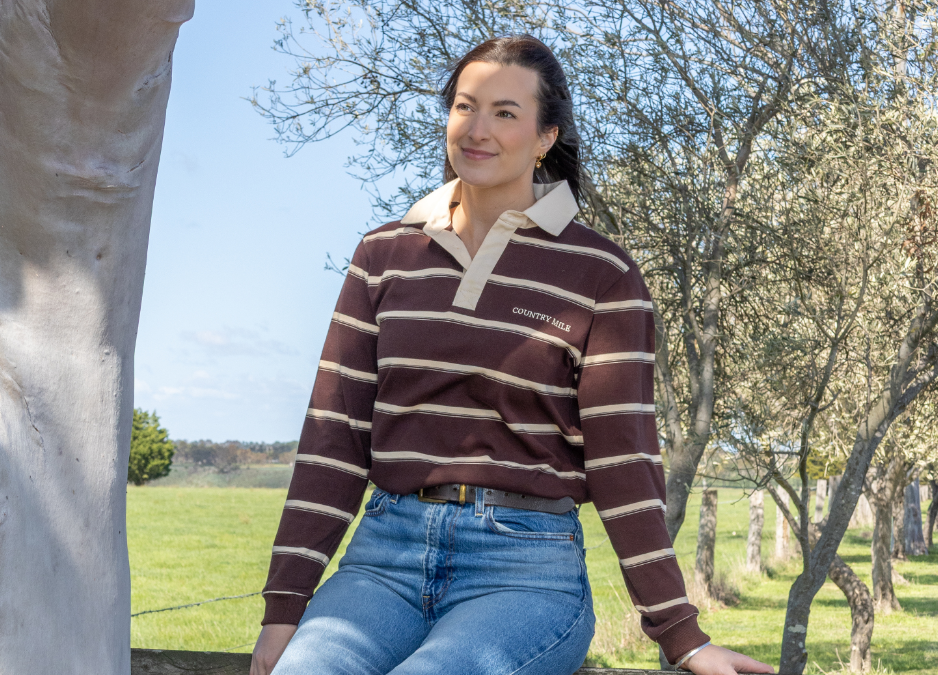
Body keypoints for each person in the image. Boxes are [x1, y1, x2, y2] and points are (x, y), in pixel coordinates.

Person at [249, 35, 774, 675]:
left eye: (504, 112)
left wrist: (680, 635)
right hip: (383, 558)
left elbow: (623, 458)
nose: (477, 130)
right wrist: (284, 608)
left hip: (525, 571)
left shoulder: (601, 273)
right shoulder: (383, 255)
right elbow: (334, 436)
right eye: (464, 107)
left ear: (546, 136)